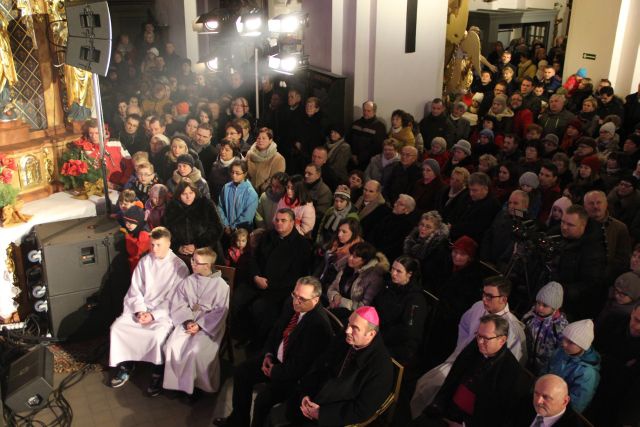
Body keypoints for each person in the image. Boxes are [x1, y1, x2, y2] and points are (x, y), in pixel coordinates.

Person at [213, 277, 332, 427]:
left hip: (294, 377)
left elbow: (301, 366)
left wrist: (274, 371)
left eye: (302, 299)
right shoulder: (291, 304)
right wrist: (268, 355)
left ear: (315, 300)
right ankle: (238, 421)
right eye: (295, 295)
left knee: (262, 400)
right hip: (277, 359)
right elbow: (275, 332)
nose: (296, 301)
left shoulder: (318, 326)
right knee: (242, 372)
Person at [411, 276, 527, 417]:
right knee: (426, 386)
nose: (484, 299)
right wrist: (461, 351)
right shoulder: (479, 306)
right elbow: (465, 325)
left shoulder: (512, 329)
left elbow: (510, 364)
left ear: (503, 299)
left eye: (489, 296)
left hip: (484, 379)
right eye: (483, 294)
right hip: (462, 361)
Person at [279, 306, 394, 426]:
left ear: (370, 334)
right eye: (349, 323)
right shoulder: (344, 338)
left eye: (355, 328)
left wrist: (321, 413)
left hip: (333, 415)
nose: (347, 330)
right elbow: (321, 364)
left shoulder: (381, 367)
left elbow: (362, 410)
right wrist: (306, 393)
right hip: (316, 395)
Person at [108, 227, 189, 394]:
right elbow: (135, 289)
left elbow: (176, 300)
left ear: (168, 243)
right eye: (152, 245)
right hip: (142, 308)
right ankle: (127, 364)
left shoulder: (179, 267)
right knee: (118, 328)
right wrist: (139, 311)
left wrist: (152, 315)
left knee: (157, 335)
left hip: (164, 314)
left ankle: (157, 371)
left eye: (159, 245)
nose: (154, 249)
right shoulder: (145, 261)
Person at [410, 315, 530, 426]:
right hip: (449, 410)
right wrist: (439, 405)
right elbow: (453, 377)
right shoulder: (474, 347)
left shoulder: (511, 370)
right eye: (478, 335)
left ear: (502, 340)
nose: (479, 342)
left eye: (485, 338)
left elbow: (496, 414)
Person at [234, 209, 312, 347]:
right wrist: (256, 276)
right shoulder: (267, 236)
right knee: (238, 297)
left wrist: (270, 284)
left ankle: (258, 342)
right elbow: (254, 259)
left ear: (292, 223)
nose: (279, 223)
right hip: (258, 281)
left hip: (279, 289)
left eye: (283, 220)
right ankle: (241, 334)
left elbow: (296, 275)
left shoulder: (302, 245)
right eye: (277, 220)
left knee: (261, 308)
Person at [162, 247, 229, 398]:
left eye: (197, 262)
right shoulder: (188, 281)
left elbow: (220, 312)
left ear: (207, 266)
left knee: (195, 352)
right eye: (193, 259)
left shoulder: (221, 286)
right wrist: (187, 322)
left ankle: (195, 387)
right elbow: (179, 303)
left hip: (209, 325)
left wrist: (199, 325)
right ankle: (177, 384)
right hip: (188, 319)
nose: (192, 264)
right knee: (173, 346)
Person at [551, 204, 607, 320]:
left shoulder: (593, 250)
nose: (564, 227)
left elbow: (591, 284)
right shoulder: (563, 236)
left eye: (570, 225)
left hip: (572, 308)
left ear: (583, 226)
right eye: (563, 222)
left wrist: (561, 291)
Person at [373, 256, 427, 366]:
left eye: (399, 271)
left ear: (409, 274)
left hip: (398, 345)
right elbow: (375, 305)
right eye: (392, 269)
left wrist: (377, 336)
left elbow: (408, 331)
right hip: (379, 333)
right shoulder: (389, 286)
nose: (393, 273)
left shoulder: (416, 299)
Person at [542, 319, 601, 413]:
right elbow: (545, 371)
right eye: (564, 338)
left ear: (583, 346)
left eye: (571, 342)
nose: (564, 344)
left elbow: (576, 405)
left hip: (556, 410)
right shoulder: (561, 351)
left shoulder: (587, 373)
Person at [163, 179, 223, 264]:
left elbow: (217, 228)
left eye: (191, 193)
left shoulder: (206, 204)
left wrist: (197, 245)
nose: (188, 197)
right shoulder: (171, 208)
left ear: (195, 192)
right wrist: (178, 247)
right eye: (184, 194)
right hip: (180, 258)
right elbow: (166, 232)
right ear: (179, 194)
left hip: (206, 255)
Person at [327, 242, 388, 319]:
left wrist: (341, 301)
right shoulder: (347, 267)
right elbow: (332, 287)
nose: (350, 258)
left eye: (355, 257)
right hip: (335, 309)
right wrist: (334, 296)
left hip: (354, 317)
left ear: (365, 260)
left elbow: (364, 306)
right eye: (351, 254)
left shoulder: (374, 278)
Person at [522, 281, 569, 375]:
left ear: (555, 307)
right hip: (526, 360)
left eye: (545, 305)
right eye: (538, 303)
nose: (539, 308)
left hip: (545, 370)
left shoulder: (560, 327)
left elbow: (562, 354)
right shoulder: (531, 316)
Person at [584, 190, 631, 281]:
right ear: (585, 206)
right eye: (591, 203)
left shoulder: (620, 228)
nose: (595, 206)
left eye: (599, 202)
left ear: (606, 204)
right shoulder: (579, 225)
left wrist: (604, 273)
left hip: (606, 279)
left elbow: (623, 259)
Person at [403, 210, 450, 291]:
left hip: (422, 286)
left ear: (436, 230)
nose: (423, 228)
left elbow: (431, 274)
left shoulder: (438, 248)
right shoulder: (413, 238)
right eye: (422, 224)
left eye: (428, 227)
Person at [448, 171, 501, 243]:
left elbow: (476, 229)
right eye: (470, 190)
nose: (471, 193)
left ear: (486, 189)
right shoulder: (467, 197)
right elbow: (455, 212)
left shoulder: (491, 205)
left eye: (475, 190)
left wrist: (452, 228)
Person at [515, 374, 587, 427]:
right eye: (536, 393)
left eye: (546, 397)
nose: (538, 401)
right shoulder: (526, 401)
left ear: (564, 401)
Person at [369, 194, 417, 262]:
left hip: (384, 258)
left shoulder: (407, 227)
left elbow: (395, 246)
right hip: (371, 250)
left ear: (407, 210)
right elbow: (374, 231)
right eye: (396, 202)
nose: (395, 205)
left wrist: (376, 252)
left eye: (400, 204)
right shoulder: (388, 216)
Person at [218, 159, 259, 235]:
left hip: (242, 234)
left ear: (245, 174)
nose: (234, 175)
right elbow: (220, 207)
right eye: (232, 172)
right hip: (226, 230)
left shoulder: (251, 193)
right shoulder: (226, 187)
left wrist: (233, 227)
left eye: (237, 173)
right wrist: (226, 225)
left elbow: (247, 216)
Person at [315, 185, 358, 250]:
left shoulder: (351, 216)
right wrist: (318, 240)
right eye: (336, 201)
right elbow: (322, 225)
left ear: (347, 201)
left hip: (336, 247)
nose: (338, 204)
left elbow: (349, 237)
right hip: (323, 242)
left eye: (341, 201)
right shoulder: (331, 210)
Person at [348, 100, 387, 168]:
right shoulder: (355, 124)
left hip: (368, 162)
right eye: (364, 110)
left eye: (368, 111)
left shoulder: (380, 126)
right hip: (353, 159)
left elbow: (377, 146)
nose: (365, 113)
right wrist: (353, 155)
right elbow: (349, 139)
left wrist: (360, 158)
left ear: (374, 112)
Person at [246, 127, 286, 194]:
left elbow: (275, 179)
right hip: (248, 192)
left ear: (270, 140)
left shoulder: (278, 158)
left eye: (264, 138)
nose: (260, 140)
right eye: (258, 138)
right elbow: (244, 172)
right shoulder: (250, 154)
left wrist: (262, 190)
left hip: (267, 194)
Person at [121, 206, 151, 273]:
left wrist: (127, 237)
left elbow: (135, 251)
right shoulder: (136, 230)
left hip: (141, 267)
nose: (127, 225)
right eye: (126, 222)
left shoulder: (144, 234)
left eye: (131, 223)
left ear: (138, 222)